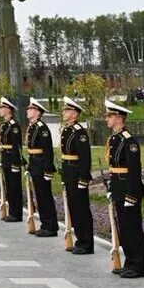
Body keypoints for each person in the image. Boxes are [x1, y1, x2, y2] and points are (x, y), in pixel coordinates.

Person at [105, 99, 144, 277]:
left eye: (110, 116)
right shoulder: (114, 139)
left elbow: (134, 170)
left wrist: (132, 193)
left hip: (128, 188)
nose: (107, 119)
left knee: (132, 228)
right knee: (124, 228)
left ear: (119, 118)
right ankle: (129, 261)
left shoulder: (129, 141)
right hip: (118, 187)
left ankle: (137, 265)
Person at [61, 97, 93, 253]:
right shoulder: (67, 129)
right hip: (69, 173)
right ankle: (80, 240)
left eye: (67, 110)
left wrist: (84, 177)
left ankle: (86, 243)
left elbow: (85, 157)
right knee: (74, 208)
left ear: (74, 114)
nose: (64, 112)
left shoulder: (79, 132)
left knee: (81, 209)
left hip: (77, 174)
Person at [25, 98, 58, 237]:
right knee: (39, 196)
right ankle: (45, 224)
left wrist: (48, 169)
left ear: (37, 112)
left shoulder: (42, 128)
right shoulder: (33, 127)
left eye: (31, 109)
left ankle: (51, 226)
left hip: (41, 165)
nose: (28, 111)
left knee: (45, 196)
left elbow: (48, 150)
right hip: (34, 164)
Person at [0, 98, 23, 221]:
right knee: (9, 187)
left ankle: (16, 214)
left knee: (15, 188)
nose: (0, 110)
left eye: (2, 108)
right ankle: (12, 211)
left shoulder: (14, 126)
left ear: (8, 110)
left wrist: (16, 163)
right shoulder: (5, 125)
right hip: (6, 159)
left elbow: (16, 146)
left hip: (12, 160)